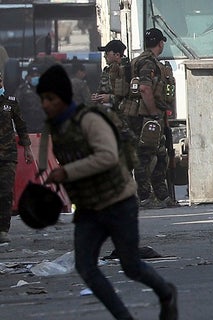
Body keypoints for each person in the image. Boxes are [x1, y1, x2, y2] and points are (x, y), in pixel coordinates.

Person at [37, 64, 178, 320]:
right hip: (90, 208)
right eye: (43, 99)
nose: (45, 105)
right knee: (86, 267)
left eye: (51, 98)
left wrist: (68, 173)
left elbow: (108, 157)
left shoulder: (90, 120)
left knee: (131, 266)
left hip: (118, 202)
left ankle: (166, 292)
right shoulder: (55, 129)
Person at [120, 28, 176, 208]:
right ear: (161, 43)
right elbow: (144, 88)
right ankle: (145, 198)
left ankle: (163, 197)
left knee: (160, 155)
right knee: (145, 157)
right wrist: (153, 112)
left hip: (141, 115)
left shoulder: (139, 60)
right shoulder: (148, 63)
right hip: (145, 117)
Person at [0, 72, 33, 243]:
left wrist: (27, 148)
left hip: (7, 155)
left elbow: (21, 125)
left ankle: (3, 229)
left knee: (5, 192)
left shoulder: (10, 101)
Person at [93, 39, 130, 112]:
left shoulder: (127, 70)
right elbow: (102, 89)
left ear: (117, 55)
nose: (104, 56)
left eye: (107, 53)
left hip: (122, 113)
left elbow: (128, 94)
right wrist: (97, 96)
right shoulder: (107, 70)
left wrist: (110, 98)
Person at [15, 65, 46, 133]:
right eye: (33, 76)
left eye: (37, 75)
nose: (35, 77)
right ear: (28, 77)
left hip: (43, 128)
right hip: (28, 128)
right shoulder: (22, 90)